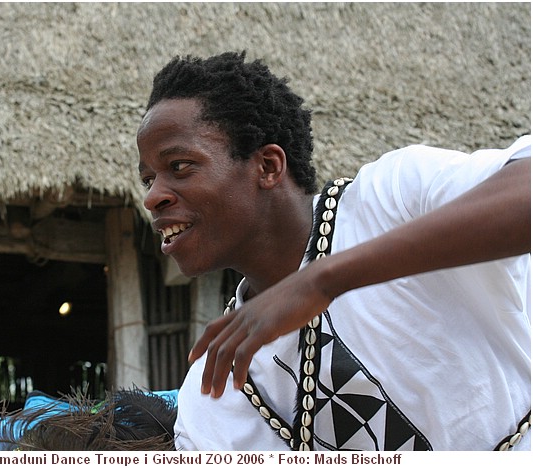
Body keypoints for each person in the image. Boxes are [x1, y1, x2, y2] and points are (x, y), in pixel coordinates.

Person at [136, 51, 531, 451]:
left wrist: (323, 280)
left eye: (179, 166)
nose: (152, 198)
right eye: (148, 179)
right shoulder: (212, 391)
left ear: (269, 167)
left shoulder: (392, 197)